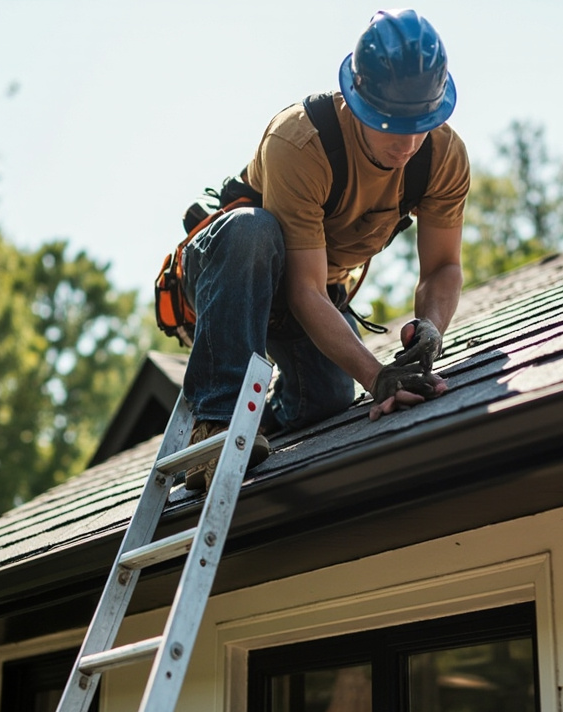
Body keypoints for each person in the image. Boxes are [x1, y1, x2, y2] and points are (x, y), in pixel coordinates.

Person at [179, 8, 470, 489]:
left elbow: (442, 267)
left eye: (421, 123)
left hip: (310, 289)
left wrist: (432, 329)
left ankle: (266, 419)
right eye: (393, 125)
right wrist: (377, 377)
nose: (409, 143)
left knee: (329, 400)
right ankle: (215, 426)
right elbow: (304, 290)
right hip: (231, 270)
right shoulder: (299, 142)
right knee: (253, 229)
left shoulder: (442, 157)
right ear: (358, 102)